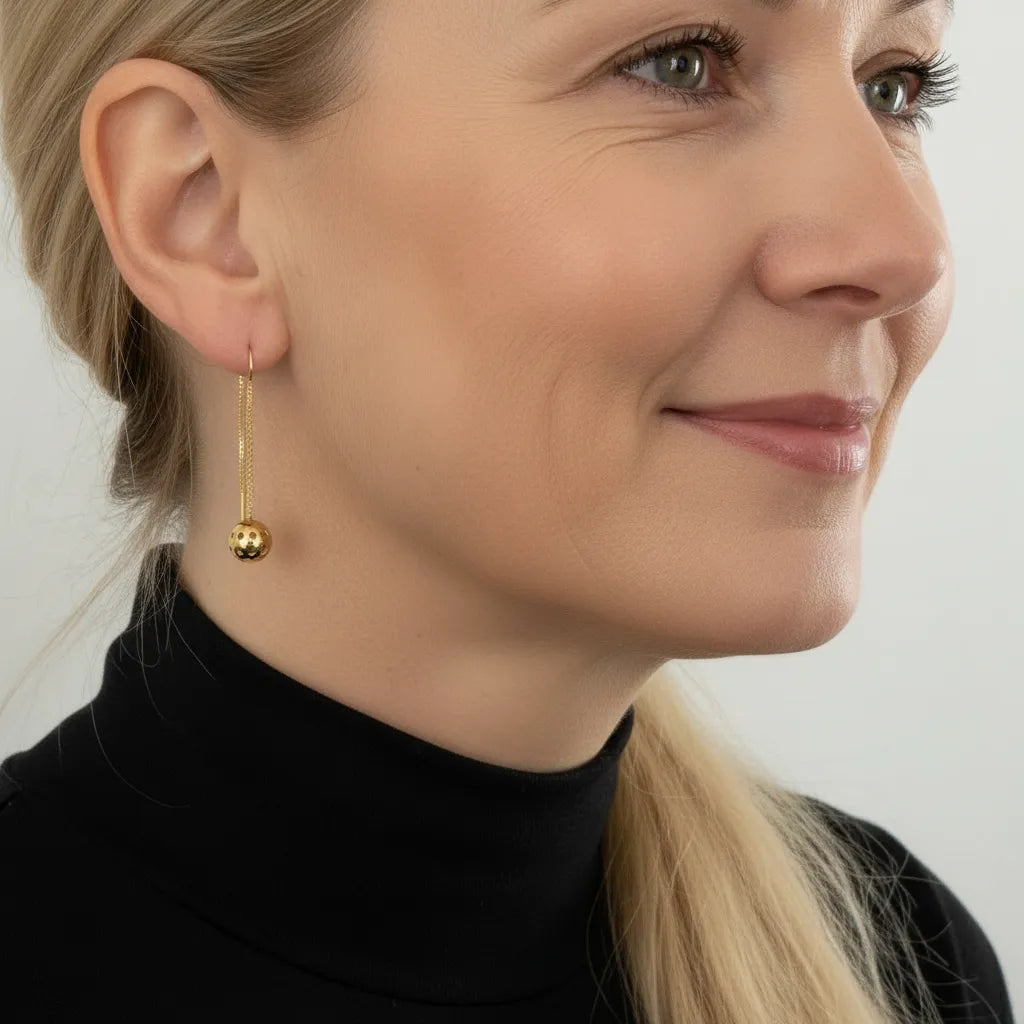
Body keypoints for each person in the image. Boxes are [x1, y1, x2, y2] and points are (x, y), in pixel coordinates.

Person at [0, 0, 1015, 1021]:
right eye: (678, 64)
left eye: (894, 87)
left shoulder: (904, 966)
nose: (904, 250)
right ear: (204, 213)